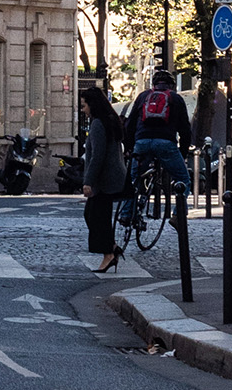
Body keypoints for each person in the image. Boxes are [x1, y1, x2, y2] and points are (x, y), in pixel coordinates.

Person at [80, 82, 129, 273]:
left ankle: (109, 253)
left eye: (84, 105)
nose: (83, 110)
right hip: (111, 177)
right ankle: (112, 249)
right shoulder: (108, 119)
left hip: (104, 179)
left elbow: (97, 156)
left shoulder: (99, 124)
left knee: (96, 216)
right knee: (95, 215)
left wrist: (88, 182)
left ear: (93, 105)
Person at [125, 67, 194, 201]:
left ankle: (127, 214)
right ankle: (177, 215)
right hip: (166, 142)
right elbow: (185, 129)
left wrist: (130, 147)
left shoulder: (143, 96)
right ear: (172, 86)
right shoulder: (176, 98)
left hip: (142, 142)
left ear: (153, 85)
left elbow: (129, 124)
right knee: (183, 179)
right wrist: (183, 152)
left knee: (133, 180)